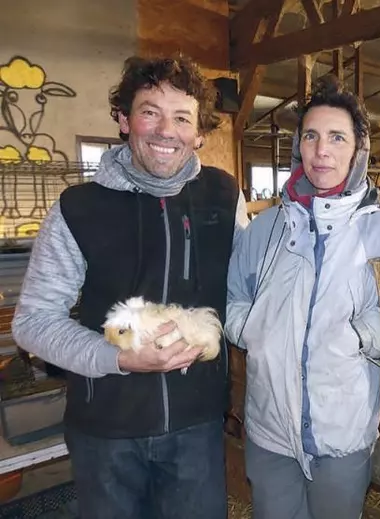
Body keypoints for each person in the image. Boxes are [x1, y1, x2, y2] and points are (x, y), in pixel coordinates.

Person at [12, 55, 248, 519]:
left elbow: (248, 293)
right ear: (124, 120)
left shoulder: (224, 195)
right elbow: (33, 321)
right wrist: (117, 359)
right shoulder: (77, 208)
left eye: (182, 117)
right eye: (149, 112)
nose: (166, 130)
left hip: (196, 428)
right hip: (106, 432)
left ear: (199, 132)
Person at [225, 74, 380, 519]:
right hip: (270, 431)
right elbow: (233, 298)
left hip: (342, 431)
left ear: (358, 150)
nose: (322, 151)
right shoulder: (265, 229)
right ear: (299, 146)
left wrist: (359, 337)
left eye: (337, 138)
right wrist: (252, 329)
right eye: (312, 136)